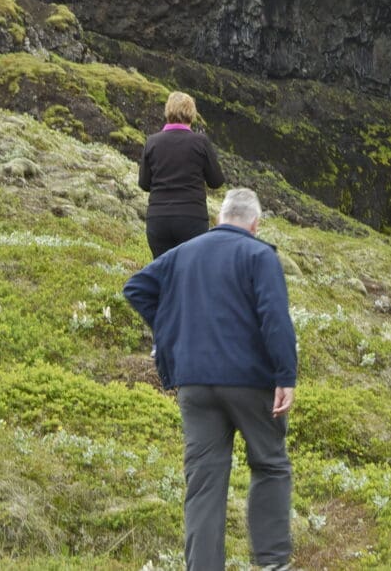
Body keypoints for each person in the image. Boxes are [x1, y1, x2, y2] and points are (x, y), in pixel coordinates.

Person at [123, 188, 297, 571]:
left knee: (204, 482)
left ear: (220, 217)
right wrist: (285, 375)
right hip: (252, 382)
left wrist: (170, 333)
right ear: (255, 223)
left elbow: (136, 288)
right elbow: (274, 317)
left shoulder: (185, 253)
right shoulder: (259, 254)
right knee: (270, 464)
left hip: (195, 384)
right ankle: (271, 563)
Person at [138, 91, 226, 258]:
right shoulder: (200, 142)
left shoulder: (152, 142)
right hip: (192, 219)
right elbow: (216, 181)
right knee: (189, 274)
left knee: (163, 273)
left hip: (159, 219)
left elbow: (143, 183)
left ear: (167, 112)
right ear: (191, 114)